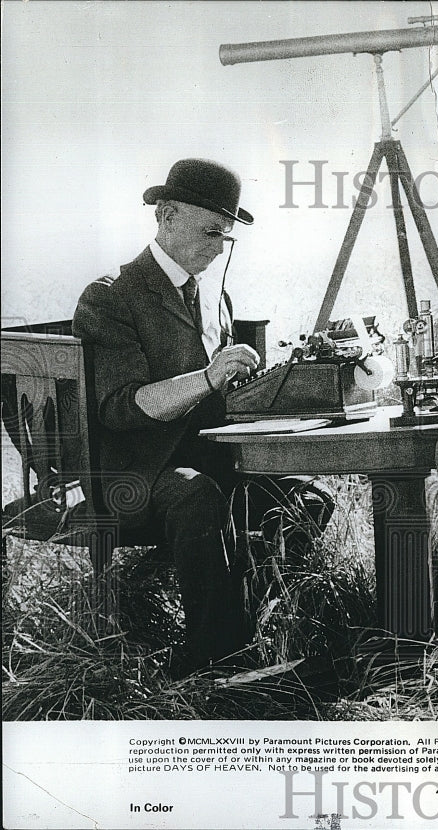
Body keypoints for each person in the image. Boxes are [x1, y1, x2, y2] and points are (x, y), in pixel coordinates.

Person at [72, 158, 331, 671]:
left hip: (202, 462)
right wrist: (211, 376)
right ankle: (215, 661)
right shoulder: (111, 296)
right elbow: (122, 408)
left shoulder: (215, 297)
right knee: (199, 496)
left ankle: (247, 622)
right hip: (132, 475)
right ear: (167, 216)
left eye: (226, 238)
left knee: (307, 500)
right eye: (211, 232)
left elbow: (221, 396)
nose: (218, 247)